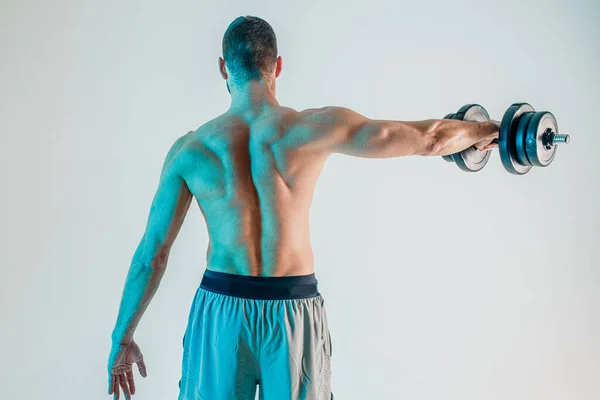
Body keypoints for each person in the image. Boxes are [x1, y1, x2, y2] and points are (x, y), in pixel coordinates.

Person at [107, 15, 499, 400]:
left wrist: (122, 338)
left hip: (221, 310)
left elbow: (152, 256)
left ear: (224, 68)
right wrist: (489, 130)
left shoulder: (191, 151)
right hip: (293, 309)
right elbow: (427, 139)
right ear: (277, 65)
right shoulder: (314, 128)